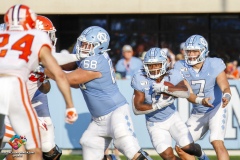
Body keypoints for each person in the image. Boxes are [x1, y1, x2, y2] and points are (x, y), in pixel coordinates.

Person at [46, 26, 152, 160]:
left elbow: (69, 78)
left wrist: (46, 71)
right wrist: (47, 62)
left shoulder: (97, 60)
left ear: (100, 47)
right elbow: (72, 79)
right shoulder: (86, 57)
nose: (83, 47)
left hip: (115, 112)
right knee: (89, 142)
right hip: (98, 120)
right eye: (82, 43)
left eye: (88, 45)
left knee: (127, 145)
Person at [0, 4, 78, 160]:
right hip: (13, 101)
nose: (50, 39)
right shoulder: (35, 42)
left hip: (23, 102)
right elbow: (60, 71)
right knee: (26, 148)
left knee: (34, 147)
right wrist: (70, 106)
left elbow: (45, 86)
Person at [131, 47, 210, 160]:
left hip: (172, 117)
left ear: (164, 64)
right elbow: (136, 108)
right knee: (168, 157)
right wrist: (157, 105)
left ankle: (202, 156)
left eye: (157, 64)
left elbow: (186, 92)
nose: (153, 68)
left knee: (188, 147)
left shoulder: (172, 74)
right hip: (154, 123)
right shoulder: (139, 77)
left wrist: (166, 88)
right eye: (150, 65)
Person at [174, 35, 231, 160]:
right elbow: (188, 94)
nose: (191, 54)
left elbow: (225, 86)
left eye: (195, 51)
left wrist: (226, 95)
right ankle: (202, 157)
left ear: (203, 51)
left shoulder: (214, 63)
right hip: (198, 112)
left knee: (216, 142)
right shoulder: (180, 66)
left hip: (216, 108)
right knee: (181, 147)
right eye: (189, 51)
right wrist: (201, 101)